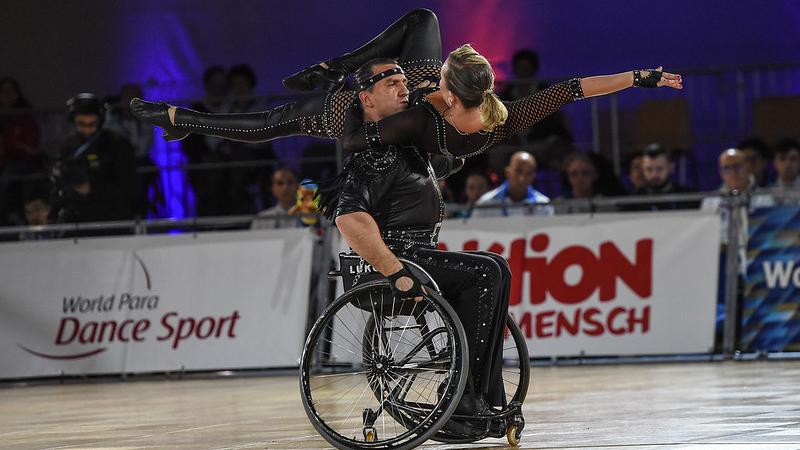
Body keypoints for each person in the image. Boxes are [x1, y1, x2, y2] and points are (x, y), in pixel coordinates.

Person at [320, 58, 513, 425]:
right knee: (485, 271)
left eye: (404, 81)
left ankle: (482, 392)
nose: (404, 88)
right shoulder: (374, 155)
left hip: (417, 255)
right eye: (391, 84)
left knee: (496, 266)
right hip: (396, 260)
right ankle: (463, 396)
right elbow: (348, 217)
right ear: (367, 99)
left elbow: (454, 155)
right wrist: (396, 272)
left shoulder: (408, 147)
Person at [51, 93, 137, 225]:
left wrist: (92, 189)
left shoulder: (118, 145)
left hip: (112, 217)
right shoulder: (67, 146)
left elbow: (128, 187)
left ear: (100, 121)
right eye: (81, 124)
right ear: (73, 120)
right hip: (76, 217)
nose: (86, 130)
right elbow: (58, 178)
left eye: (92, 124)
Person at [473, 151, 553, 217]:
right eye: (518, 171)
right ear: (508, 172)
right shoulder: (485, 204)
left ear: (533, 176)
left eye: (528, 173)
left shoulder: (544, 205)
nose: (522, 178)